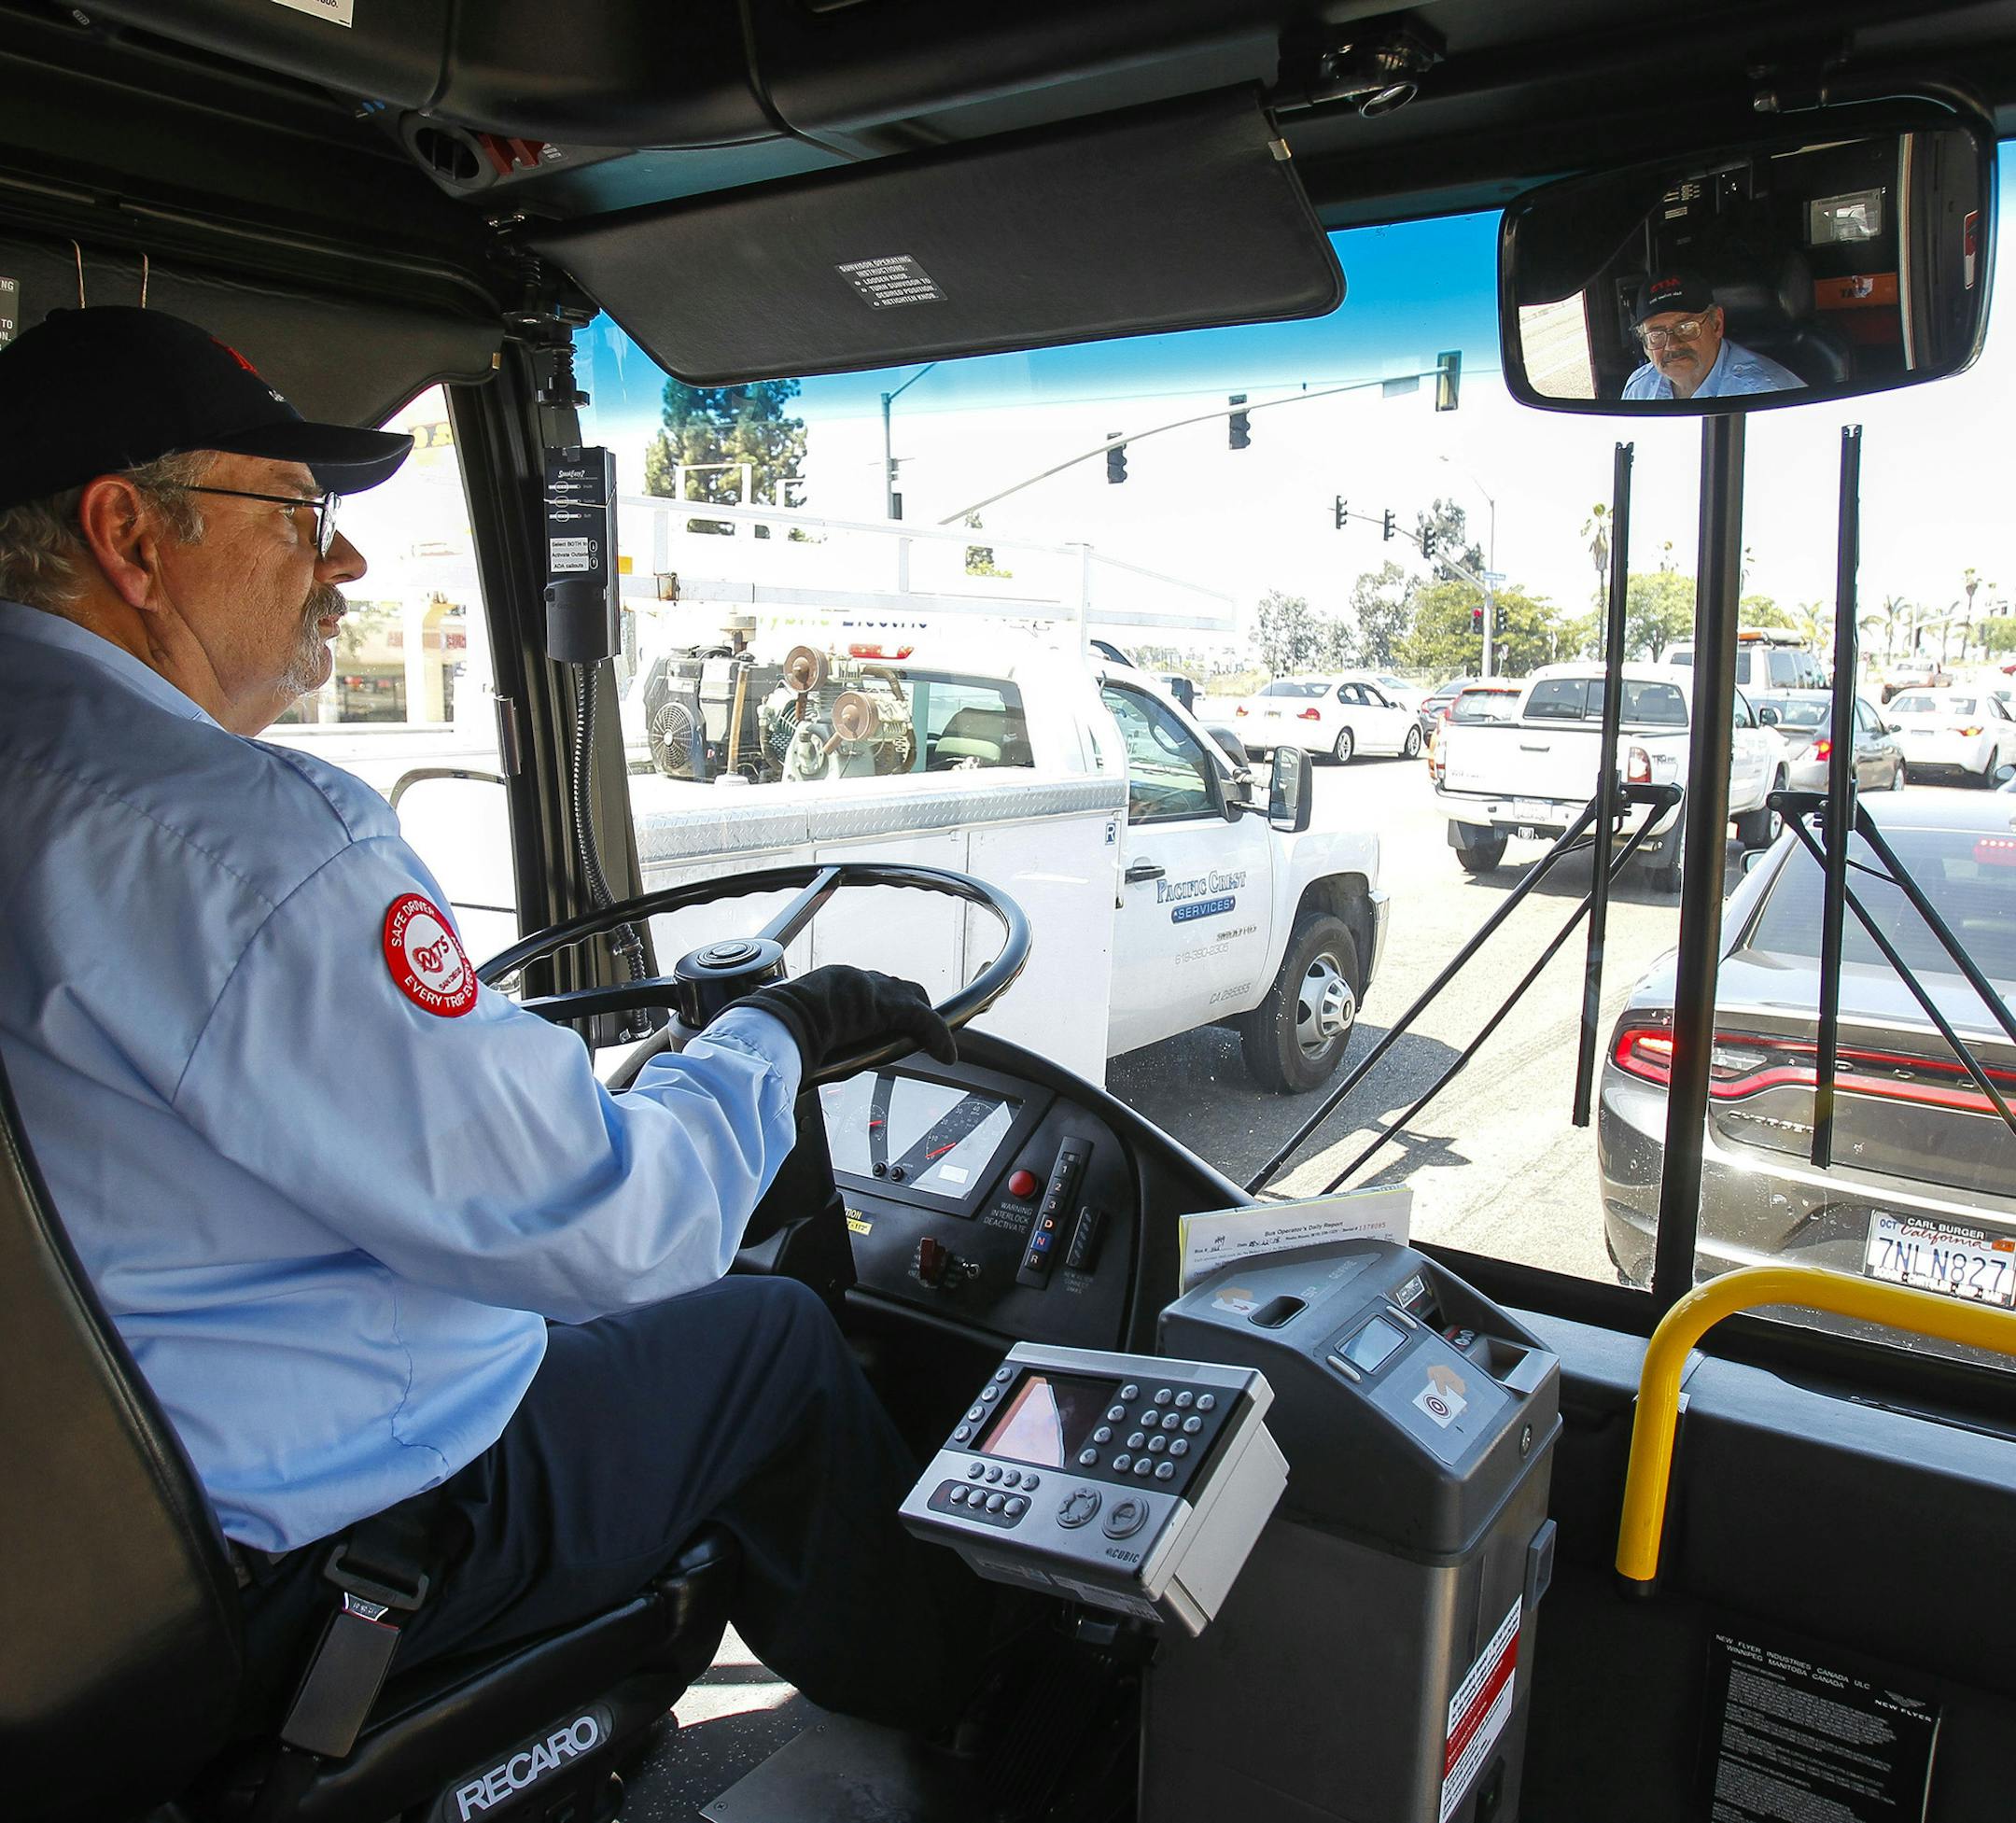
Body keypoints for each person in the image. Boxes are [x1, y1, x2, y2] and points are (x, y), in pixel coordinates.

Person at [0, 306, 1001, 1738]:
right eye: (294, 510)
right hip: (310, 1557)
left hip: (64, 1570)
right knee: (768, 1339)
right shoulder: (244, 842)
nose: (339, 557)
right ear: (130, 538)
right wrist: (768, 1040)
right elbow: (624, 1233)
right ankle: (992, 1722)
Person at [1621, 270, 1806, 400]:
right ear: (1644, 344)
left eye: (1686, 328)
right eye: (1656, 335)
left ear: (1716, 324)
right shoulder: (1640, 387)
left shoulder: (1766, 395)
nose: (1672, 346)